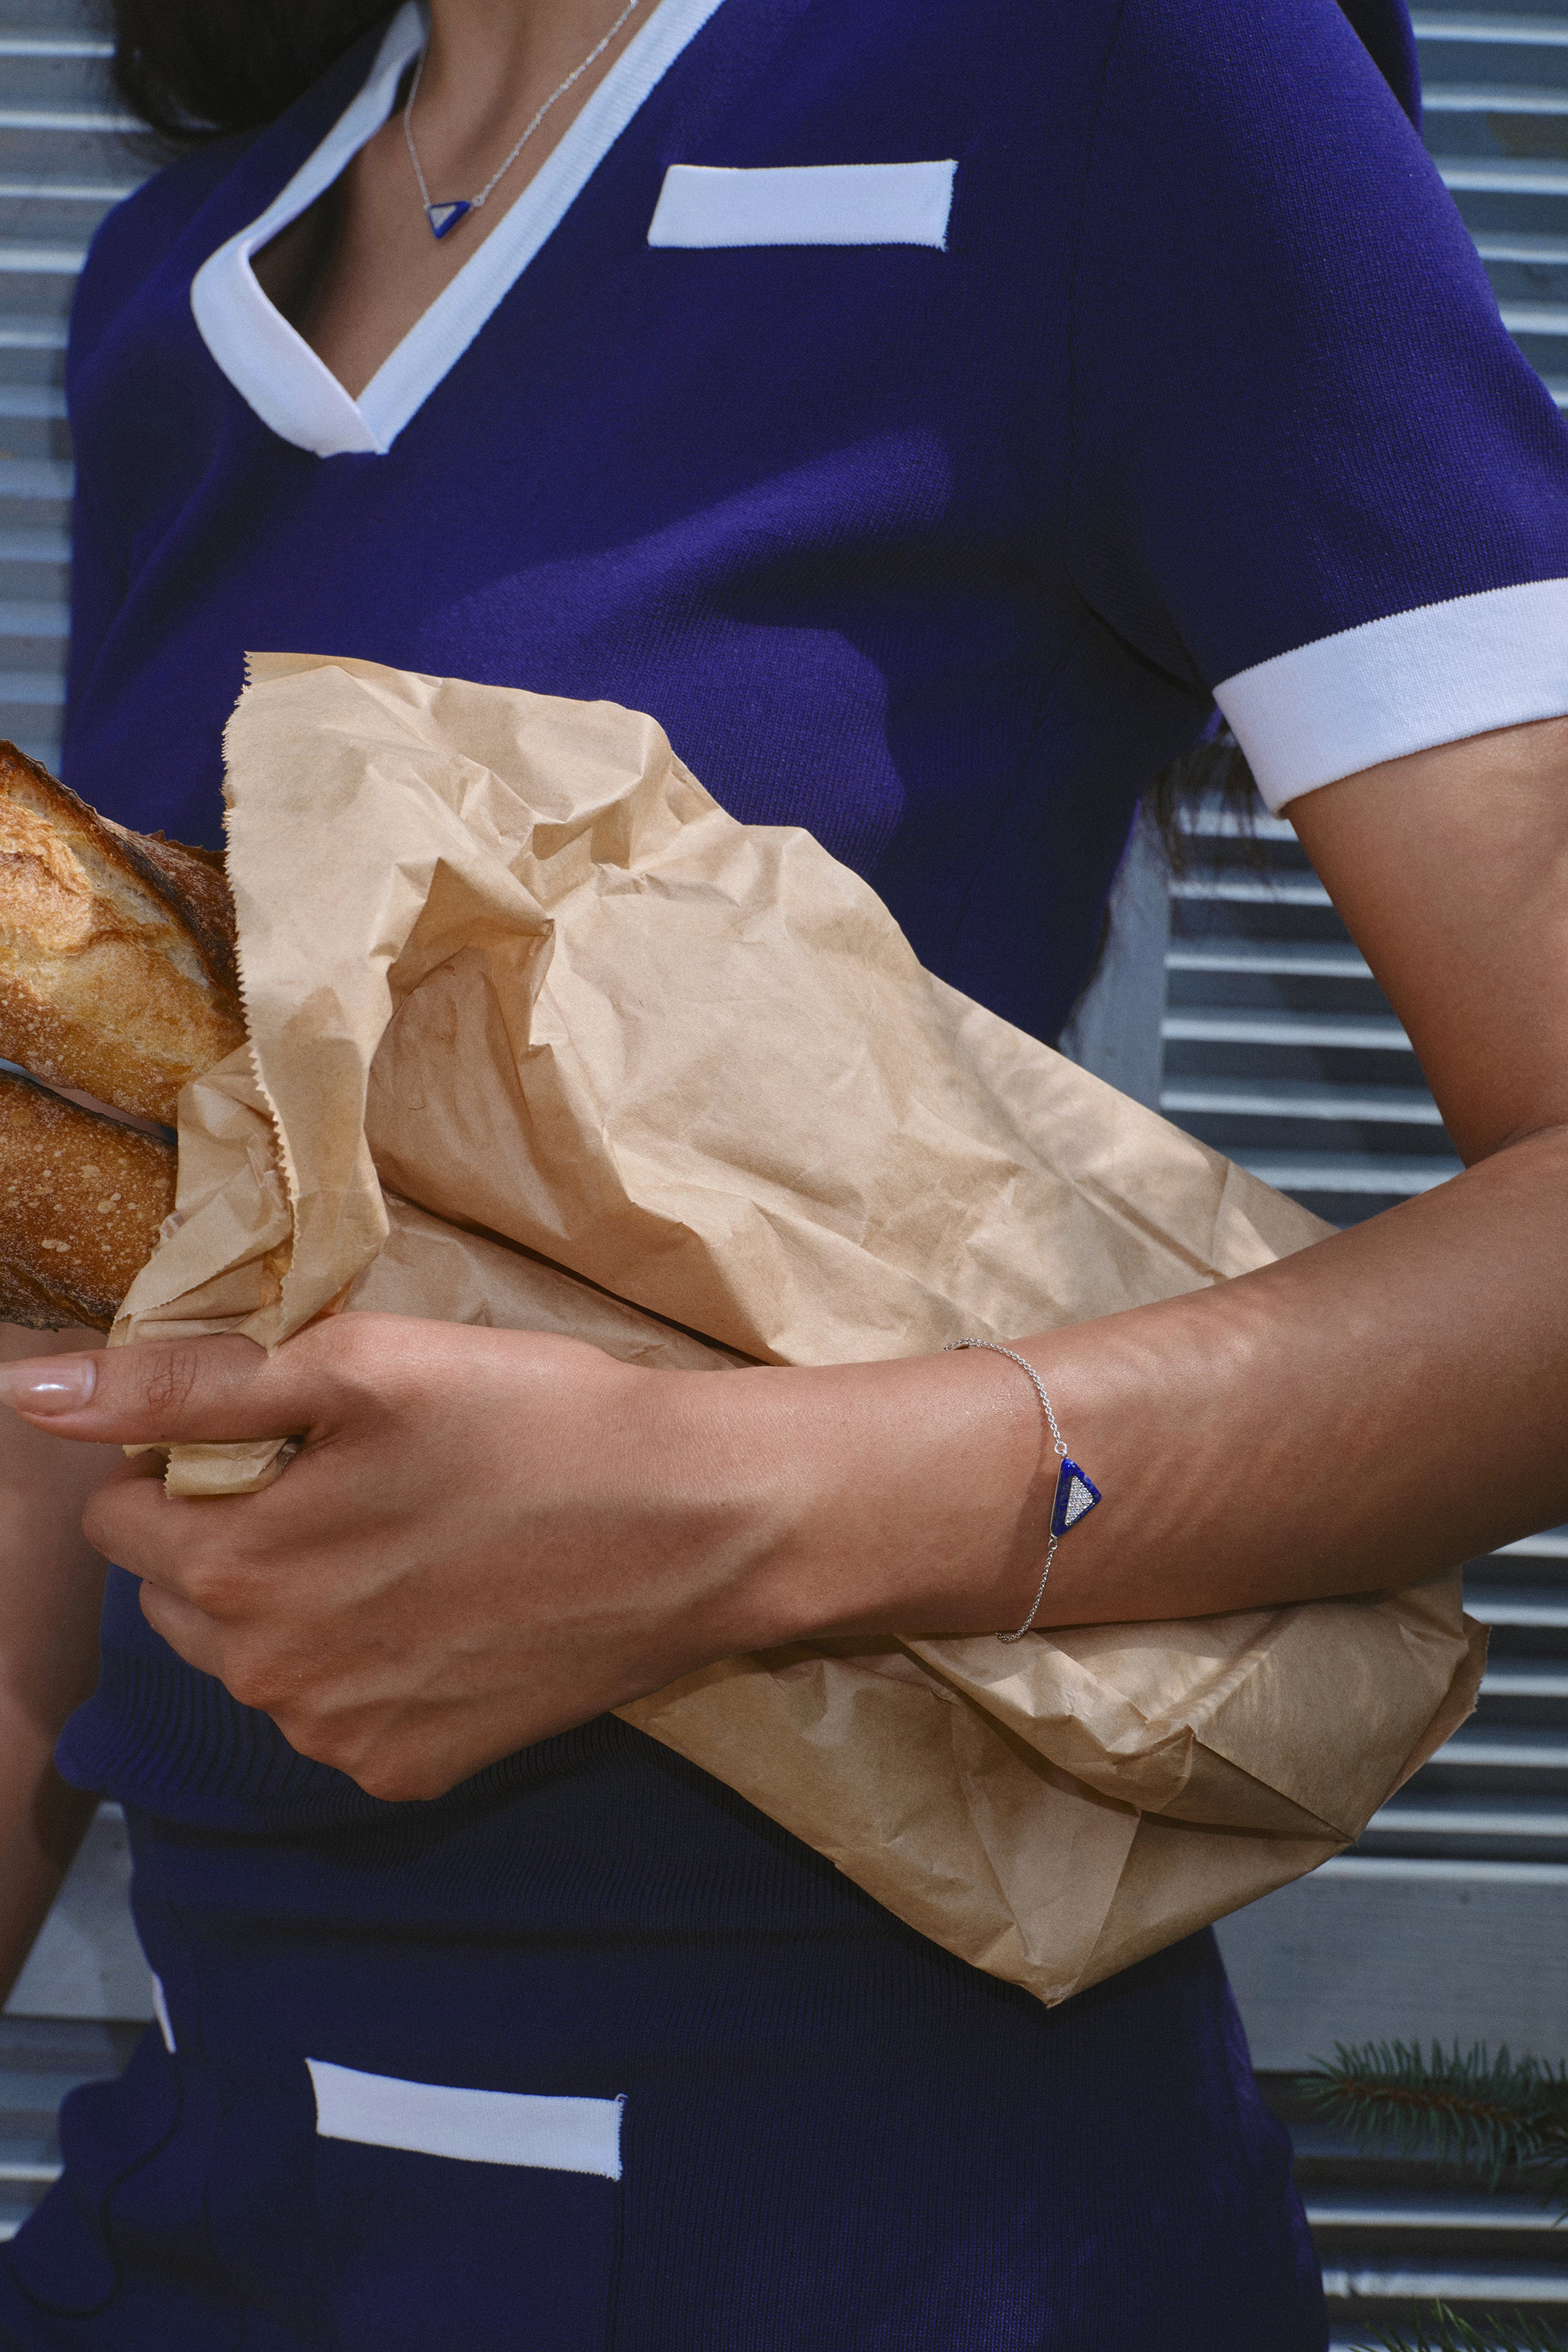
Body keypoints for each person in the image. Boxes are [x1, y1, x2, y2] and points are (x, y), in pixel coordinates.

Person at [0, 0, 1565, 2342]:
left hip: (874, 2234)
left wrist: (751, 1514)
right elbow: (83, 1378)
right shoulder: (187, 274)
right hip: (205, 2211)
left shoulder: (1125, 77)